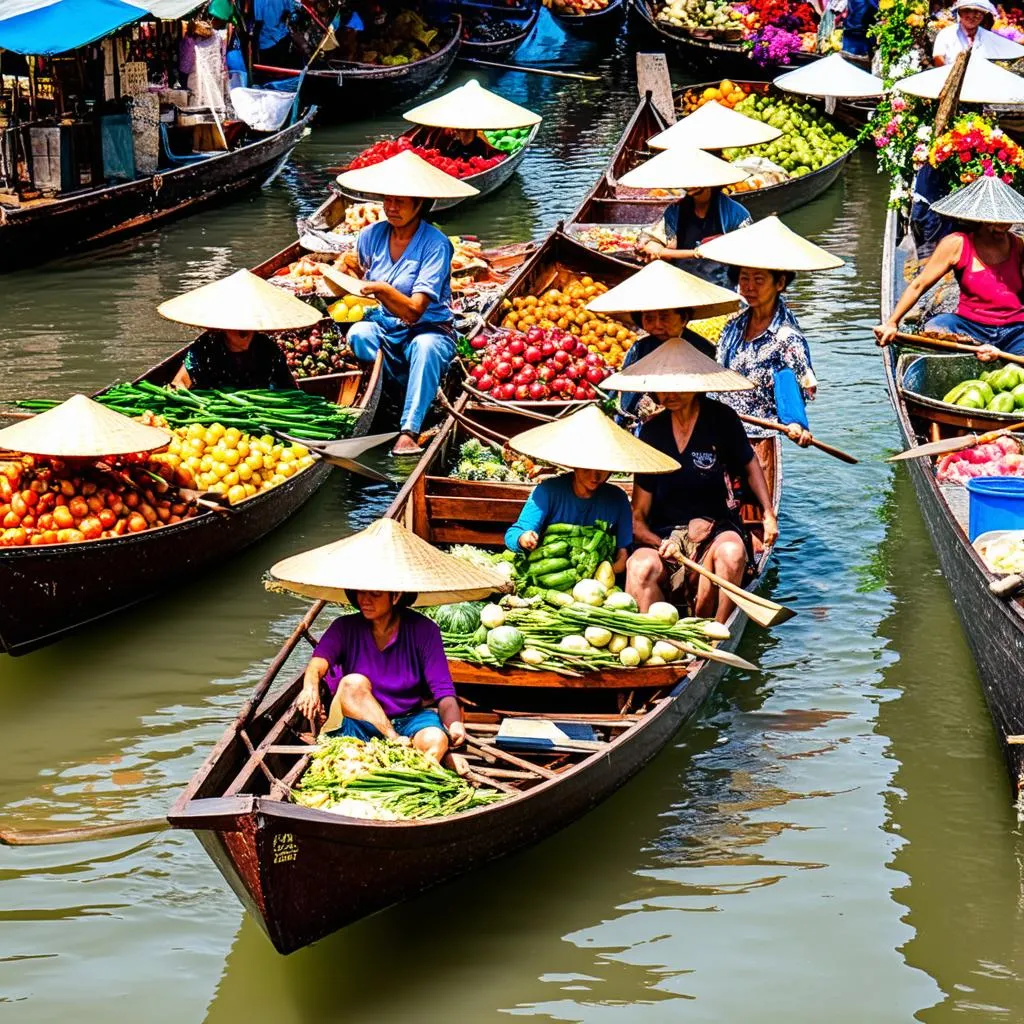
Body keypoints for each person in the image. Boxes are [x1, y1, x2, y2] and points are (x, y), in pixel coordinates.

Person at [603, 340, 776, 623]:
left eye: (677, 386)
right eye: (662, 386)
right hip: (666, 534)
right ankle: (658, 640)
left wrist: (768, 515)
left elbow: (750, 463)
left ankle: (716, 634)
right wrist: (660, 543)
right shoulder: (652, 431)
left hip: (717, 529)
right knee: (639, 566)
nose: (667, 394)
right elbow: (638, 518)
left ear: (696, 384)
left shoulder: (722, 419)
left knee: (732, 554)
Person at [335, 152, 477, 456]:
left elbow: (415, 311)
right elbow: (358, 272)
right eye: (388, 199)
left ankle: (409, 430)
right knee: (359, 334)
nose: (391, 207)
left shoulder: (436, 244)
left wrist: (383, 289)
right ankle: (384, 398)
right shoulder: (370, 235)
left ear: (421, 204)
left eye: (401, 201)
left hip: (429, 328)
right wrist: (341, 272)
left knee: (425, 349)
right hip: (385, 327)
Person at [694, 215, 846, 449]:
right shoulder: (734, 325)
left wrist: (796, 424)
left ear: (780, 283)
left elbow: (790, 385)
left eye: (758, 280)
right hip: (719, 428)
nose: (749, 287)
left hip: (757, 439)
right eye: (744, 278)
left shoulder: (787, 338)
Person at [502, 403, 679, 573]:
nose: (595, 477)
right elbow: (514, 534)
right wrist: (524, 538)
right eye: (587, 469)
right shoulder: (548, 491)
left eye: (602, 469)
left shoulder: (617, 499)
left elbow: (623, 550)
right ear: (575, 465)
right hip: (546, 576)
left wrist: (612, 568)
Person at [295, 589, 466, 762]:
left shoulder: (424, 630)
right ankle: (394, 739)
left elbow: (444, 691)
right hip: (360, 721)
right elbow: (317, 665)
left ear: (396, 596)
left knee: (435, 740)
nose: (365, 600)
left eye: (375, 594)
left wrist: (454, 724)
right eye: (360, 593)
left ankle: (412, 761)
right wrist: (310, 688)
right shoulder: (344, 627)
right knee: (352, 682)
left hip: (410, 717)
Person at [874, 175, 1024, 359]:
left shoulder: (1018, 245)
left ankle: (1000, 354)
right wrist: (892, 323)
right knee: (937, 325)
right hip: (969, 327)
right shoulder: (957, 244)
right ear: (983, 219)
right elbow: (918, 285)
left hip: (1015, 329)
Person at [581, 258, 741, 423]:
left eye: (664, 317)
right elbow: (625, 399)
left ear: (683, 318)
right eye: (649, 318)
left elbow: (712, 399)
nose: (657, 325)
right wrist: (642, 406)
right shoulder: (640, 349)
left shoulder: (703, 350)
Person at [641, 186, 752, 289]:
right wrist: (653, 244)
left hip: (722, 289)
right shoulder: (675, 210)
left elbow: (747, 256)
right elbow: (656, 244)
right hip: (681, 286)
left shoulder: (736, 213)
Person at [172, 329, 296, 390]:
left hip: (259, 415)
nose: (245, 334)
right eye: (239, 330)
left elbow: (289, 387)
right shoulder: (206, 346)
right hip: (215, 418)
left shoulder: (267, 347)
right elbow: (179, 383)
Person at [933, 0, 996, 65]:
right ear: (960, 13)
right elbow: (938, 58)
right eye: (967, 11)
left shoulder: (989, 37)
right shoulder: (945, 34)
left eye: (978, 12)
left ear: (983, 15)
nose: (972, 16)